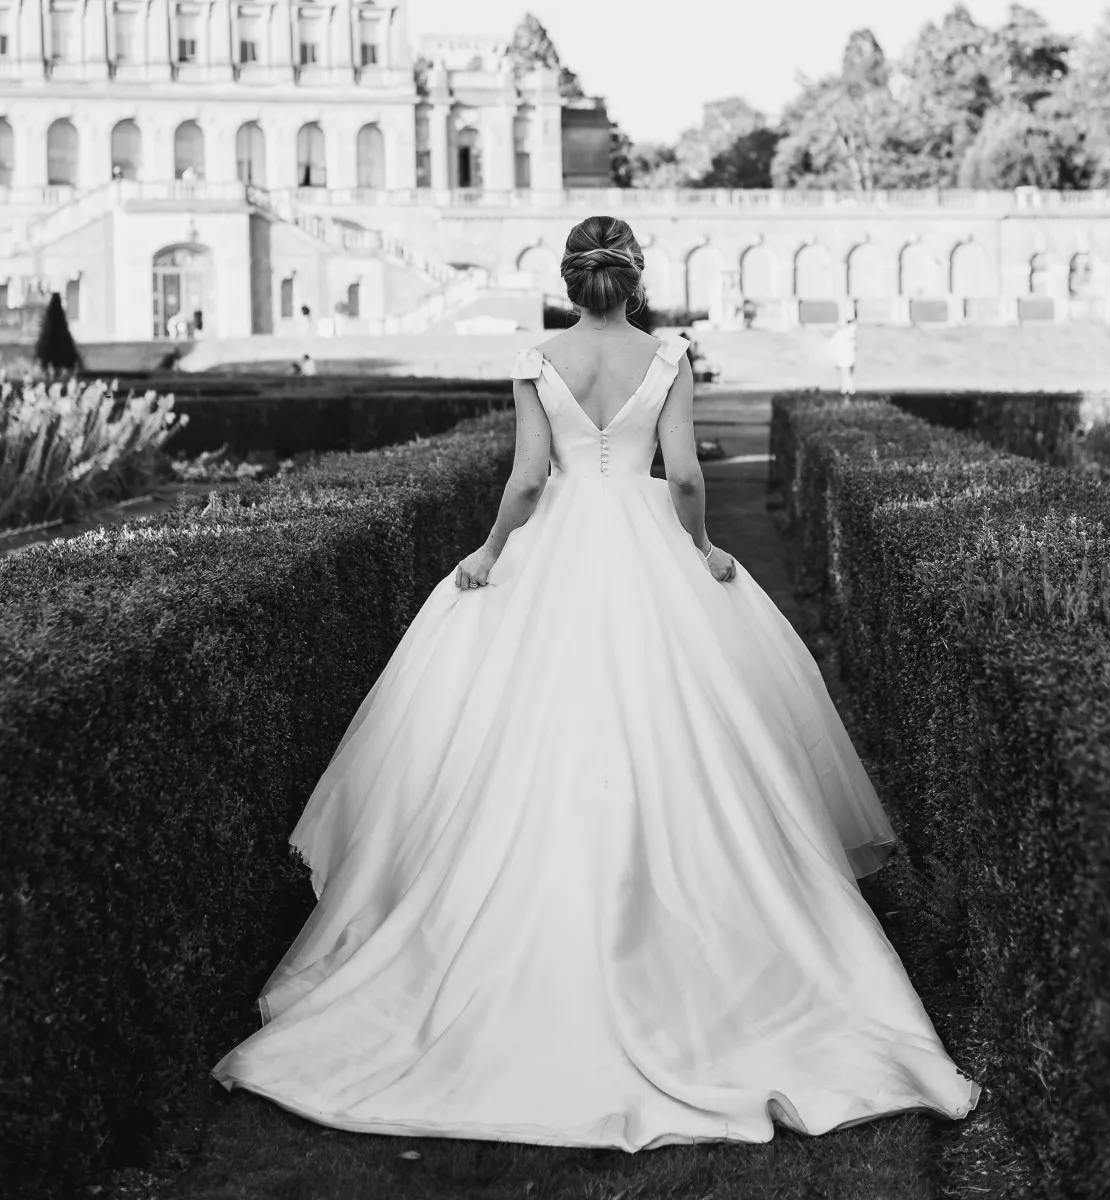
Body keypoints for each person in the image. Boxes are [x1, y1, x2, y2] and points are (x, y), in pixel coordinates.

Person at [211, 215, 980, 1150]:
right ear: (636, 278)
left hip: (563, 547)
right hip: (646, 544)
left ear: (569, 282)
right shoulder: (669, 357)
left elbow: (532, 479)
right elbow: (687, 475)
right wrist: (698, 548)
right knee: (695, 733)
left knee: (520, 738)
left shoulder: (538, 360)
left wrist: (492, 553)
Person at [830, 315, 858, 395]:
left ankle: (846, 391)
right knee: (846, 377)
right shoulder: (846, 333)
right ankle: (847, 391)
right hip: (844, 360)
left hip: (846, 360)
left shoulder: (845, 333)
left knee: (846, 377)